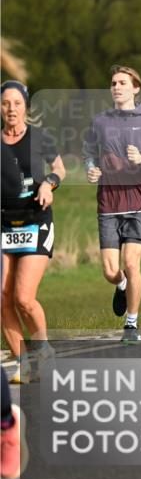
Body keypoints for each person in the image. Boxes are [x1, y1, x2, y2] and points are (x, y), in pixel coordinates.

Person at [84, 65, 141, 344]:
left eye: (122, 82)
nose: (116, 87)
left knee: (131, 264)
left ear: (136, 88)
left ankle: (131, 324)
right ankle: (121, 285)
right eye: (113, 83)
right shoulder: (100, 122)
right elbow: (89, 153)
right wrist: (91, 169)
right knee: (111, 271)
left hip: (138, 202)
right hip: (109, 203)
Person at [2, 81, 63, 383]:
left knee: (23, 298)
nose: (11, 109)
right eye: (5, 104)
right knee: (3, 298)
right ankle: (23, 364)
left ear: (25, 106)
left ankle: (44, 349)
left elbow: (59, 168)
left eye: (16, 103)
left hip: (35, 222)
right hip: (4, 225)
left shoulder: (39, 137)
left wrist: (48, 184)